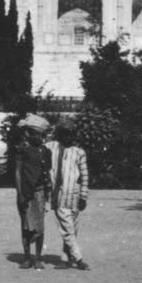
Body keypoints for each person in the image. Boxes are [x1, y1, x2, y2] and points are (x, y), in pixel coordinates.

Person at [47, 123, 90, 270]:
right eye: (65, 134)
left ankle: (66, 260)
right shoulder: (51, 147)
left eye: (71, 134)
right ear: (59, 135)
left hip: (75, 196)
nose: (68, 137)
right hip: (59, 195)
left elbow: (84, 176)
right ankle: (78, 259)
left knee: (73, 229)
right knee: (68, 229)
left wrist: (83, 196)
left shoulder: (79, 152)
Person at [14, 113, 52, 270]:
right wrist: (20, 193)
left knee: (39, 226)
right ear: (28, 134)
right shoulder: (22, 150)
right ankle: (27, 257)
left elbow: (47, 173)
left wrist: (48, 193)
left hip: (40, 192)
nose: (38, 137)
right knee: (25, 225)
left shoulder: (45, 152)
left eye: (41, 135)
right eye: (34, 134)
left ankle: (37, 258)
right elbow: (17, 171)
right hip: (25, 192)